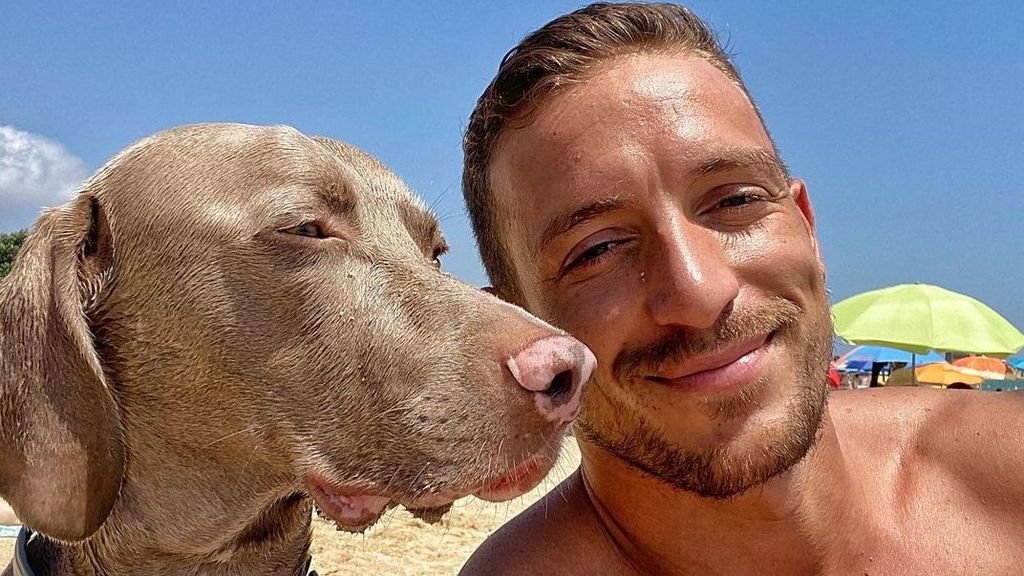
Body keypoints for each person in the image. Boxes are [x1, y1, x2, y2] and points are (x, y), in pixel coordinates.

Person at [459, 3, 1024, 574]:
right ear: (517, 322)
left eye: (736, 200)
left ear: (805, 224)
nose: (699, 292)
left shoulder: (1009, 469)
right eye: (598, 250)